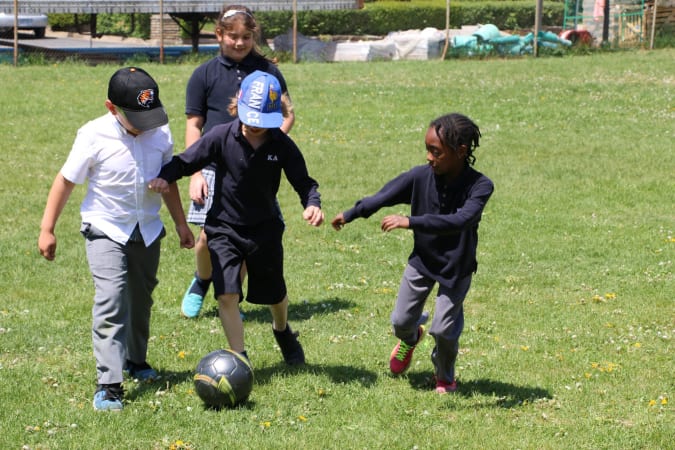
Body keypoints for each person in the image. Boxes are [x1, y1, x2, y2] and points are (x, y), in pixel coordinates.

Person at [38, 67, 195, 411]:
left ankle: (136, 361)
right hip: (105, 227)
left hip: (148, 229)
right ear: (112, 108)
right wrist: (47, 228)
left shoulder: (160, 133)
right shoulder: (93, 135)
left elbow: (167, 183)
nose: (147, 123)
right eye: (138, 117)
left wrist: (182, 225)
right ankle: (109, 383)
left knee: (141, 299)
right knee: (111, 299)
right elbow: (65, 180)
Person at [149, 71, 323, 366]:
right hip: (224, 229)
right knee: (227, 295)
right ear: (238, 106)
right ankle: (239, 358)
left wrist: (312, 204)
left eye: (262, 121)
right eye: (250, 118)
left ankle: (282, 331)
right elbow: (185, 161)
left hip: (264, 230)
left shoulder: (280, 144)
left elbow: (305, 182)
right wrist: (166, 176)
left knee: (275, 294)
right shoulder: (220, 136)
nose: (255, 126)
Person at [331, 113, 493, 394]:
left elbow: (460, 220)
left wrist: (411, 221)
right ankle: (411, 337)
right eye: (428, 150)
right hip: (423, 261)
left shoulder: (480, 186)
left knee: (444, 330)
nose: (429, 157)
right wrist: (352, 213)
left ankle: (444, 377)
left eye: (436, 152)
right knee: (400, 321)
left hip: (456, 267)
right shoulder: (421, 176)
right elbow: (384, 195)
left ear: (461, 151)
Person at [181, 4, 296, 319]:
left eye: (246, 36)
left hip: (255, 169)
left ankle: (229, 295)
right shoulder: (203, 74)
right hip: (215, 166)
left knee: (246, 237)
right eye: (233, 36)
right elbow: (194, 125)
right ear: (219, 34)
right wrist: (195, 173)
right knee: (207, 237)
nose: (240, 43)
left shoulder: (268, 71)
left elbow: (287, 114)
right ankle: (203, 280)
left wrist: (273, 144)